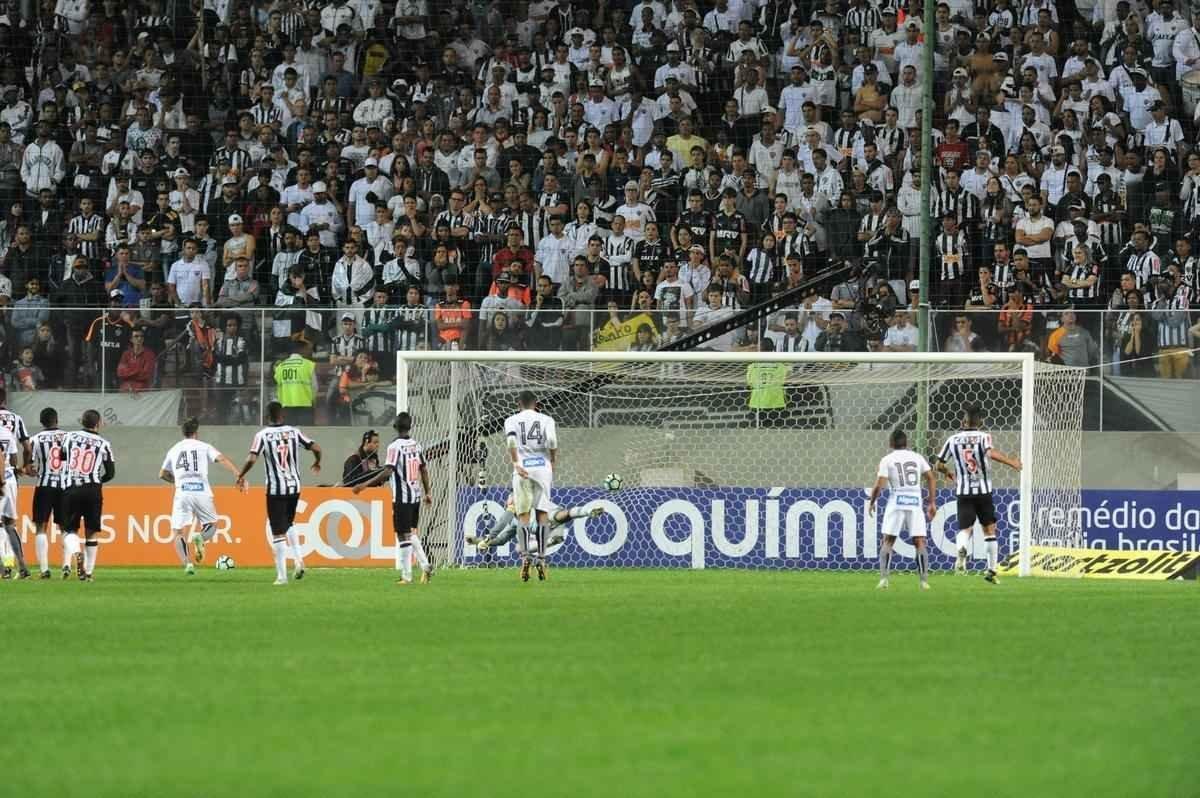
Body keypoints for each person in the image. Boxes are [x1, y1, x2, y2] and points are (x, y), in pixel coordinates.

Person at [236, 401, 322, 586]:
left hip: (275, 489)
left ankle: (282, 576)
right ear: (282, 414)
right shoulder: (294, 432)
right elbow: (316, 447)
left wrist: (241, 474)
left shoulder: (262, 435)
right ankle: (299, 560)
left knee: (277, 532)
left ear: (267, 416)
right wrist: (317, 462)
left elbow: (252, 458)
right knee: (289, 523)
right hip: (295, 487)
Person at [935, 405, 1023, 584]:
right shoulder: (984, 437)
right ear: (980, 422)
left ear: (963, 422)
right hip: (983, 491)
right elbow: (991, 454)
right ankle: (991, 571)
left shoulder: (952, 440)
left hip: (963, 492)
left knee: (965, 529)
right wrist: (1012, 462)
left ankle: (961, 549)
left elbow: (938, 464)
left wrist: (948, 473)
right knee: (990, 529)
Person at [352, 412, 434, 585]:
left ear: (395, 426)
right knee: (410, 533)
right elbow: (424, 469)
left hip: (402, 498)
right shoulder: (416, 445)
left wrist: (364, 485)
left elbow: (388, 471)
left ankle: (406, 576)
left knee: (402, 535)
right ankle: (425, 565)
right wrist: (428, 492)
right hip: (416, 496)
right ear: (410, 426)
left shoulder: (394, 447)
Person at [159, 417, 242, 575]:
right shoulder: (204, 447)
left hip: (182, 491)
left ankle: (188, 564)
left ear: (183, 433)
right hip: (201, 490)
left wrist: (177, 481)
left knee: (178, 532)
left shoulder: (174, 449)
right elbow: (222, 459)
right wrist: (238, 474)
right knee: (212, 525)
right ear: (196, 432)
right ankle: (200, 538)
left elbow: (162, 474)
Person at [868, 428, 936, 590]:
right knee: (919, 542)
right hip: (914, 501)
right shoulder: (917, 457)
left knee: (888, 541)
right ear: (907, 443)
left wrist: (872, 501)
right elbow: (931, 477)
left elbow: (879, 485)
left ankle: (884, 580)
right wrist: (932, 502)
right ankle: (924, 582)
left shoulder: (887, 460)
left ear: (891, 443)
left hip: (896, 501)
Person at [505, 390, 558, 582]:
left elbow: (511, 440)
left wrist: (515, 463)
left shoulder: (511, 420)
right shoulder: (546, 419)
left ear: (519, 404)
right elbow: (551, 441)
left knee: (523, 515)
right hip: (542, 469)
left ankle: (526, 557)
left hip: (523, 469)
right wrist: (552, 459)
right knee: (542, 514)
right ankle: (541, 559)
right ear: (536, 404)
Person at [60, 410, 116, 582]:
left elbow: (62, 457)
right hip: (93, 489)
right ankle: (89, 573)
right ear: (98, 423)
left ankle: (77, 553)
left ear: (82, 422)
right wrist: (97, 480)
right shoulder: (104, 443)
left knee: (70, 529)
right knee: (91, 531)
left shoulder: (69, 437)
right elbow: (111, 473)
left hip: (72, 487)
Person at [28, 407, 68, 578]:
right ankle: (66, 565)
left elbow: (29, 467)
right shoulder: (69, 437)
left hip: (44, 486)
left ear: (41, 422)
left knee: (41, 526)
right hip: (65, 486)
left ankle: (44, 569)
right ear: (57, 420)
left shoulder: (35, 440)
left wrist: (30, 470)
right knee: (66, 527)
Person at [273, 341, 318, 426]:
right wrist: (313, 400)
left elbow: (278, 388)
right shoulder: (308, 365)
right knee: (305, 436)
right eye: (307, 349)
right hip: (305, 406)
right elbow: (315, 387)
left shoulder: (280, 367)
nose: (309, 351)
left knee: (289, 436)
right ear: (301, 350)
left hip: (286, 406)